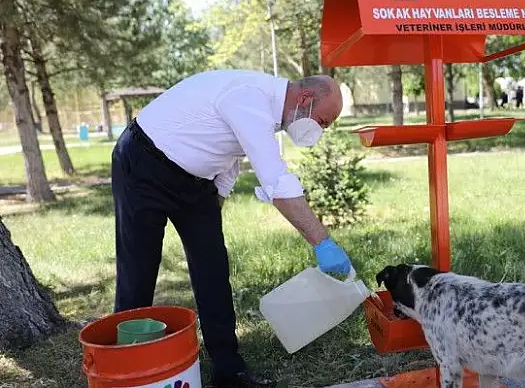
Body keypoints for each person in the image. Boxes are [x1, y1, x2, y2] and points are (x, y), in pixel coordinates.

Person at [110, 70, 352, 387]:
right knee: (139, 268)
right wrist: (322, 242)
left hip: (196, 183)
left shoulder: (267, 111)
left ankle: (229, 370)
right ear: (305, 99)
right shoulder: (249, 97)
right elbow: (277, 182)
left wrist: (214, 210)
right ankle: (124, 367)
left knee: (212, 269)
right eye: (323, 121)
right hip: (144, 162)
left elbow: (230, 154)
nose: (320, 131)